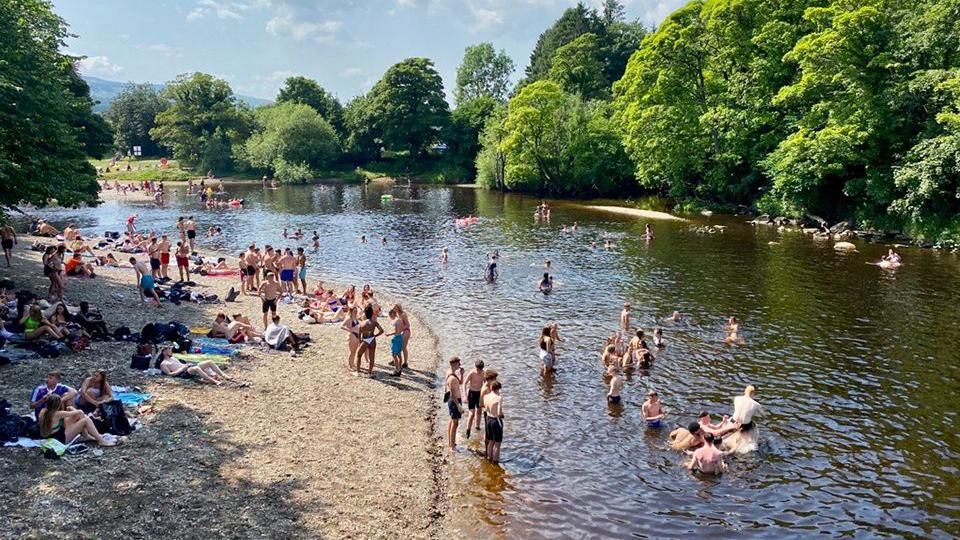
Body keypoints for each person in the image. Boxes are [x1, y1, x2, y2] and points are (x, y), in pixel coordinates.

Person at [39, 394, 117, 446]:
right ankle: (100, 440)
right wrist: (71, 408)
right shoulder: (58, 413)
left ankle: (87, 436)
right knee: (85, 419)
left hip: (48, 436)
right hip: (59, 440)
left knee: (77, 417)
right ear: (58, 404)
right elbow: (80, 412)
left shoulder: (43, 411)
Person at [158, 346, 228, 384]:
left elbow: (180, 364)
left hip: (187, 368)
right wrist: (182, 369)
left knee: (209, 362)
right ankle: (214, 381)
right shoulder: (164, 364)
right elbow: (170, 374)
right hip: (183, 373)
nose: (171, 351)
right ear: (164, 352)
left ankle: (224, 375)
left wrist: (186, 364)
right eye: (169, 350)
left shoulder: (173, 358)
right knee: (196, 368)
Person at [724, 385, 762, 453]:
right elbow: (762, 414)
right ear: (753, 393)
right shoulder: (756, 404)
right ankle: (752, 442)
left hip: (734, 421)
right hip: (745, 425)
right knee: (754, 425)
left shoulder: (736, 398)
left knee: (731, 418)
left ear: (745, 391)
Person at [354, 304, 384, 376]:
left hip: (365, 340)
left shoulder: (362, 323)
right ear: (371, 314)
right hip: (372, 339)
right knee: (372, 357)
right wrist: (375, 336)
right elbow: (381, 331)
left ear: (365, 314)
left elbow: (359, 335)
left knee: (359, 355)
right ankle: (369, 373)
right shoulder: (374, 322)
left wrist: (360, 341)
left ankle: (358, 372)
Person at [445, 357, 464, 451]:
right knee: (455, 423)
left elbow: (460, 382)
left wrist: (461, 374)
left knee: (452, 421)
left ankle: (451, 442)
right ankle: (452, 446)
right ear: (454, 364)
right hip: (454, 401)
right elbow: (452, 394)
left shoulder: (449, 372)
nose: (459, 365)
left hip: (452, 400)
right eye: (458, 364)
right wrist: (459, 405)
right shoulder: (452, 378)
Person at [463, 360, 485, 439]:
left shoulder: (483, 373)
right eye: (478, 369)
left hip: (479, 394)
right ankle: (468, 431)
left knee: (479, 412)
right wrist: (465, 395)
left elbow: (485, 385)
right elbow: (465, 383)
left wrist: (486, 396)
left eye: (481, 369)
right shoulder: (472, 373)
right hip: (472, 393)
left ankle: (477, 428)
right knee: (471, 414)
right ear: (476, 368)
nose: (479, 371)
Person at [483, 380, 504, 463]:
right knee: (497, 443)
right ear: (498, 389)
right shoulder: (499, 398)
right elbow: (499, 413)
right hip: (496, 420)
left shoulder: (486, 396)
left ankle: (489, 457)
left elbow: (486, 408)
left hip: (488, 419)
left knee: (491, 441)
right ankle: (495, 461)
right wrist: (502, 414)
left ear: (491, 388)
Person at [341, 306, 361, 371]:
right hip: (352, 336)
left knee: (355, 351)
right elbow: (341, 326)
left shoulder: (356, 318)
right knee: (352, 351)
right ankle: (350, 366)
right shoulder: (348, 318)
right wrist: (350, 330)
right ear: (351, 311)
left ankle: (352, 364)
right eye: (354, 311)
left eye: (356, 311)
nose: (356, 312)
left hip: (357, 336)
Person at [387, 308, 404, 376]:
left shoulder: (396, 321)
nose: (391, 317)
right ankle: (399, 369)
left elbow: (396, 331)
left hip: (396, 338)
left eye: (390, 316)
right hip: (400, 337)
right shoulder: (400, 320)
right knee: (399, 354)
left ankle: (397, 370)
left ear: (393, 314)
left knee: (394, 355)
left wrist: (389, 334)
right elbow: (402, 330)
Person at [394, 303, 411, 368]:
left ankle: (405, 363)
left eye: (395, 308)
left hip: (406, 332)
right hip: (401, 332)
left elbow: (408, 325)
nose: (394, 309)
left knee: (403, 347)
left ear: (398, 308)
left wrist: (401, 329)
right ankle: (396, 360)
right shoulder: (397, 315)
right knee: (398, 346)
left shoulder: (403, 315)